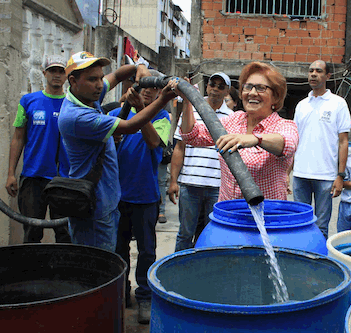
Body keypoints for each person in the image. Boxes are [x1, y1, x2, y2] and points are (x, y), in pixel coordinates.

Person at [58, 51, 176, 251]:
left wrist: (139, 67)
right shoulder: (76, 116)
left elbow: (119, 75)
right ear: (73, 81)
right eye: (92, 79)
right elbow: (130, 126)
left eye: (100, 78)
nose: (99, 84)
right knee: (98, 264)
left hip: (111, 200)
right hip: (94, 208)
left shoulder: (87, 97)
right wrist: (162, 99)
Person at [172, 62, 298, 203]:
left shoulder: (285, 125)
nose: (252, 93)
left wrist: (254, 139)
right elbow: (193, 136)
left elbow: (288, 144)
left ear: (276, 97)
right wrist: (187, 101)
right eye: (248, 87)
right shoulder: (233, 120)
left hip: (265, 216)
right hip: (228, 212)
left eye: (261, 88)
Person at [108, 70, 171, 324]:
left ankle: (144, 296)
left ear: (158, 92)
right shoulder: (115, 114)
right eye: (142, 86)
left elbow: (155, 143)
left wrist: (142, 111)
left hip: (145, 195)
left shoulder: (163, 116)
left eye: (152, 87)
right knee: (118, 248)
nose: (146, 90)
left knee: (146, 251)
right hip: (116, 196)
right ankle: (121, 292)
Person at [5, 55, 71, 243]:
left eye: (61, 71)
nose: (57, 75)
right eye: (52, 71)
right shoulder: (28, 101)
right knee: (32, 232)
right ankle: (31, 271)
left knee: (65, 233)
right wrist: (11, 173)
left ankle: (64, 271)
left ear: (67, 75)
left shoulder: (72, 104)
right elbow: (18, 138)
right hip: (33, 177)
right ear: (44, 73)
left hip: (64, 179)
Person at [168, 73, 234, 251]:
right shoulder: (191, 110)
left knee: (209, 234)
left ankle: (201, 271)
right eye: (213, 84)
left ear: (227, 91)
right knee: (185, 233)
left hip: (217, 188)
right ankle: (178, 270)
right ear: (207, 86)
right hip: (190, 184)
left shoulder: (232, 117)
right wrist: (173, 181)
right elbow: (179, 147)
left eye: (221, 86)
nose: (215, 89)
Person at [292, 60, 351, 239]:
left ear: (327, 76)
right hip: (300, 174)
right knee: (299, 222)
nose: (313, 74)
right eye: (310, 71)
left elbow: (343, 142)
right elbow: (295, 139)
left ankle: (319, 262)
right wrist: (288, 171)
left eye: (318, 71)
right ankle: (300, 258)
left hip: (325, 175)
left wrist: (340, 176)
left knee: (321, 227)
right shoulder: (302, 105)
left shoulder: (338, 104)